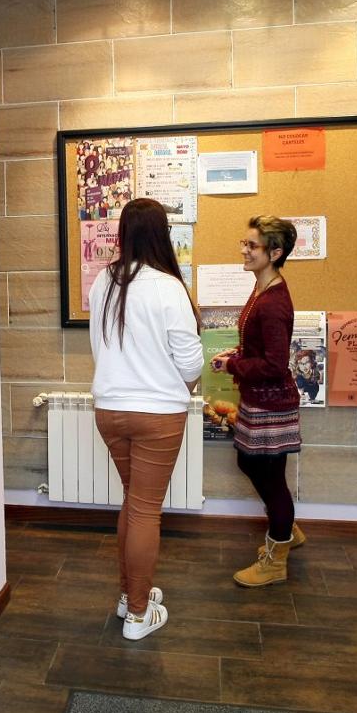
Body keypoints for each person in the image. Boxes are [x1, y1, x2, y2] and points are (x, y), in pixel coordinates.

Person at [89, 198, 203, 640]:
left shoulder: (103, 281)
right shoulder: (168, 286)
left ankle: (128, 596)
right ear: (162, 234)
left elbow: (101, 349)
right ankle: (138, 614)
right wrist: (178, 383)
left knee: (133, 501)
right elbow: (191, 363)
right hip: (158, 415)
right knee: (144, 509)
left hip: (110, 410)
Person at [210, 216, 304, 588]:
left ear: (275, 253)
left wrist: (233, 363)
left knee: (270, 477)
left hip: (272, 404)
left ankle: (277, 555)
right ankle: (286, 528)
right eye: (244, 243)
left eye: (253, 246)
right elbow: (261, 350)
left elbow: (275, 364)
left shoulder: (273, 303)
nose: (244, 251)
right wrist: (237, 354)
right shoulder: (262, 289)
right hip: (258, 400)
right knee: (251, 464)